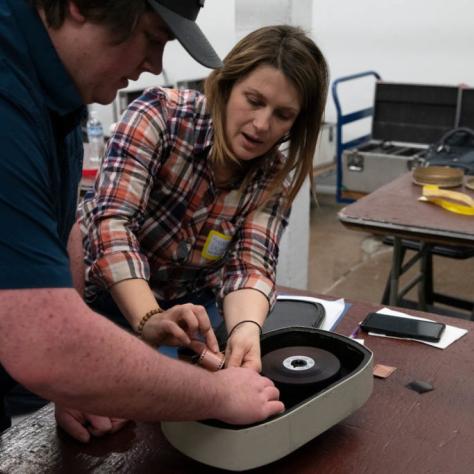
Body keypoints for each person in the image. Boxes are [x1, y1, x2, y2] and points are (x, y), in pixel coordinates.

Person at [0, 0, 284, 443]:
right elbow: (48, 341)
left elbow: (66, 227)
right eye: (152, 38)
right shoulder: (9, 98)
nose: (154, 65)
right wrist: (217, 395)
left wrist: (76, 380)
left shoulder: (61, 96)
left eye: (283, 115)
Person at [78, 25, 329, 373]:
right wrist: (150, 318)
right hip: (112, 304)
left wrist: (245, 331)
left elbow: (250, 265)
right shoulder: (160, 116)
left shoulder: (273, 176)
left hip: (195, 315)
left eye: (282, 115)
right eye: (254, 101)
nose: (261, 124)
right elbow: (112, 224)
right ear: (226, 86)